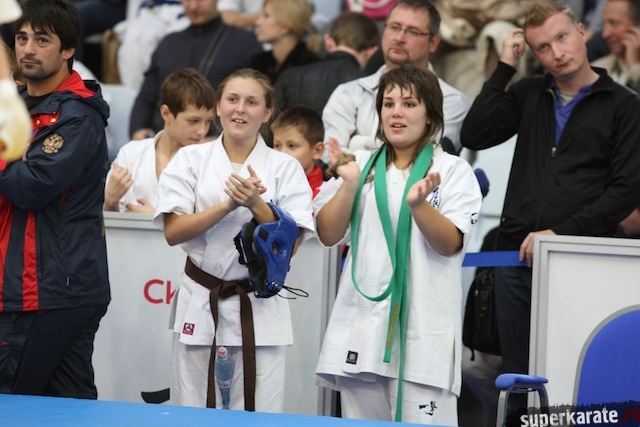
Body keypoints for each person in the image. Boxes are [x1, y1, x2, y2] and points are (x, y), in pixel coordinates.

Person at [460, 0, 640, 399]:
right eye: (543, 47)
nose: (557, 52)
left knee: (572, 373)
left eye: (562, 37)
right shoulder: (528, 93)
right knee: (518, 377)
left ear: (582, 33)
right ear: (534, 53)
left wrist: (561, 234)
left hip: (582, 258)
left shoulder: (625, 104)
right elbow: (475, 135)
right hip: (516, 257)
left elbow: (625, 191)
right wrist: (504, 68)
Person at [313, 64, 482, 425]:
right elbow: (328, 234)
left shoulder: (452, 171)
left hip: (422, 339)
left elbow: (449, 244)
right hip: (361, 331)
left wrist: (419, 206)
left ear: (431, 115)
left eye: (409, 104)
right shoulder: (360, 166)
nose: (396, 113)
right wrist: (349, 184)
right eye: (388, 104)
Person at [152, 68, 314, 410]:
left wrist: (257, 205)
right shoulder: (190, 159)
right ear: (218, 106)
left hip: (259, 304)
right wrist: (227, 205)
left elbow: (290, 246)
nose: (240, 109)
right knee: (192, 411)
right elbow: (173, 231)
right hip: (202, 298)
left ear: (267, 113)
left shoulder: (285, 167)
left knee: (260, 413)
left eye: (252, 102)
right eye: (232, 99)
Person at [0, 0, 111, 399]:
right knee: (69, 405)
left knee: (12, 404)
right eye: (22, 38)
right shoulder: (14, 105)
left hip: (45, 291)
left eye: (42, 40)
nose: (28, 49)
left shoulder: (77, 116)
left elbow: (31, 187)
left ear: (68, 50)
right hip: (47, 287)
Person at [322, 0, 470, 157]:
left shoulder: (451, 101)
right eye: (394, 27)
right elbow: (331, 155)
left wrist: (356, 143)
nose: (399, 38)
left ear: (433, 43)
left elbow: (426, 155)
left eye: (413, 32)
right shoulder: (349, 93)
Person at [129, 0, 263, 141]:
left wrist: (218, 143)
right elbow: (146, 96)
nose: (193, 6)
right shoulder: (169, 43)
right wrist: (139, 132)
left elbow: (257, 106)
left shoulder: (245, 44)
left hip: (217, 144)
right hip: (161, 141)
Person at [105, 68, 215, 213]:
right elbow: (110, 220)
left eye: (208, 121)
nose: (202, 130)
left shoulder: (209, 163)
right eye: (193, 121)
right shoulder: (131, 154)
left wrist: (154, 219)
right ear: (166, 113)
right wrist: (111, 201)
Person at [275, 11, 380, 114]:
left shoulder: (290, 76)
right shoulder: (372, 87)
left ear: (328, 42)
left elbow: (272, 120)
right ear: (371, 52)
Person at [250, 0, 319, 84]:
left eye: (266, 16)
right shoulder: (259, 62)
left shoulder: (310, 66)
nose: (257, 22)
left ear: (286, 25)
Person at [272, 105, 328, 198]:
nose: (282, 154)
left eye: (292, 146)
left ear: (317, 150)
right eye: (277, 146)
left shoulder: (329, 194)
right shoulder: (264, 186)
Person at [591, 0, 640, 92]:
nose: (605, 34)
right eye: (604, 24)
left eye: (614, 23)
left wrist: (635, 69)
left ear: (637, 27)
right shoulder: (598, 70)